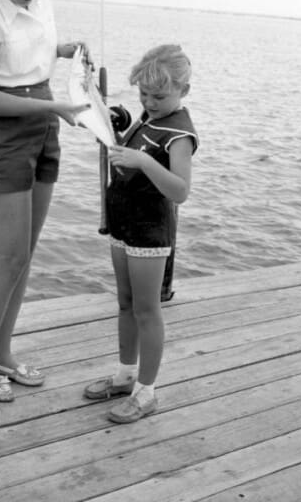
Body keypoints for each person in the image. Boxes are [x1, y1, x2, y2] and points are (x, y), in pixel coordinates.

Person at [0, 0, 90, 402]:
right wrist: (51, 108)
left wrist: (64, 50)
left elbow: (30, 55)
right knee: (9, 255)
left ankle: (3, 352)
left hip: (43, 129)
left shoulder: (37, 0)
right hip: (2, 135)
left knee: (26, 255)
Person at [84, 44, 198, 423]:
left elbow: (180, 190)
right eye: (143, 95)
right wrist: (122, 120)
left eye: (159, 96)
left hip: (150, 230)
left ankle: (146, 392)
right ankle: (125, 374)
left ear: (184, 90)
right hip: (123, 223)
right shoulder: (149, 118)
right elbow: (140, 138)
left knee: (147, 310)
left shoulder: (180, 133)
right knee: (125, 303)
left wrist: (144, 161)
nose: (150, 102)